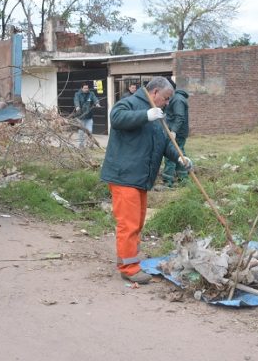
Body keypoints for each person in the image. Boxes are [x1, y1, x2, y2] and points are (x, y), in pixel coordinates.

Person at [100, 76, 192, 284]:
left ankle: (130, 259)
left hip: (141, 177)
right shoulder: (130, 103)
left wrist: (179, 157)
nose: (168, 103)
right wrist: (145, 115)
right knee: (129, 224)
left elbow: (164, 141)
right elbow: (116, 118)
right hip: (125, 175)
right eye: (167, 98)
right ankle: (129, 268)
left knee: (137, 223)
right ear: (155, 92)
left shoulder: (159, 114)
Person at [161, 78, 190, 187]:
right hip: (176, 131)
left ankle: (168, 181)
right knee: (179, 154)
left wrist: (174, 131)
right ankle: (182, 178)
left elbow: (179, 117)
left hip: (177, 133)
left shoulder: (178, 100)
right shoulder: (174, 98)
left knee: (172, 154)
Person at [73, 82, 100, 148]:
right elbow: (76, 100)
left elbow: (95, 98)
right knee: (81, 132)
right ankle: (81, 145)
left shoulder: (91, 94)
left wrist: (97, 103)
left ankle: (90, 144)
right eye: (85, 88)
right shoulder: (77, 94)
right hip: (81, 117)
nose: (86, 89)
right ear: (81, 88)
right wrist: (77, 106)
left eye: (87, 88)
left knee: (89, 131)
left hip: (89, 116)